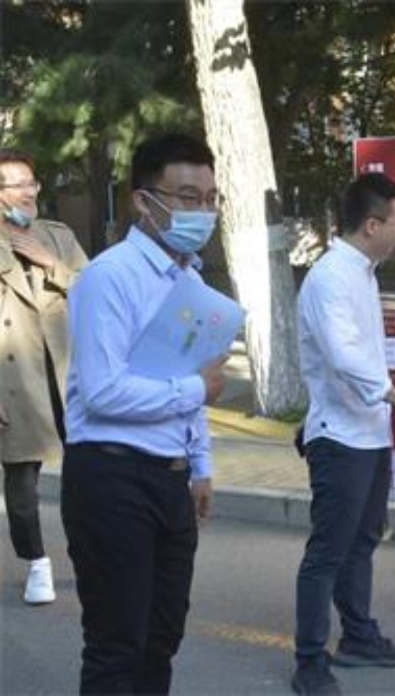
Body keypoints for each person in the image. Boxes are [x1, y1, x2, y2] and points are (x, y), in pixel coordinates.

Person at [61, 133, 229, 694]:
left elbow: (192, 378)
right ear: (143, 201)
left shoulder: (191, 280)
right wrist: (194, 390)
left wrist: (200, 465)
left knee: (161, 638)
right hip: (111, 477)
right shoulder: (110, 276)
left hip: (169, 479)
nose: (202, 211)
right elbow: (102, 391)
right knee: (118, 645)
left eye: (210, 198)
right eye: (187, 198)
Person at [292, 172, 395, 696]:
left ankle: (358, 637)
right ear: (372, 225)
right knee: (327, 553)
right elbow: (343, 356)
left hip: (370, 433)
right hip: (339, 438)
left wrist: (388, 408)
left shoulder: (364, 272)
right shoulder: (330, 277)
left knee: (361, 543)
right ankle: (310, 661)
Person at [0, 148, 89, 605]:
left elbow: (97, 292)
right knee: (21, 484)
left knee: (88, 474)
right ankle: (36, 561)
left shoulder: (57, 236)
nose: (26, 192)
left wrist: (50, 262)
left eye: (30, 182)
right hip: (13, 379)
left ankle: (90, 557)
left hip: (67, 371)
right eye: (15, 184)